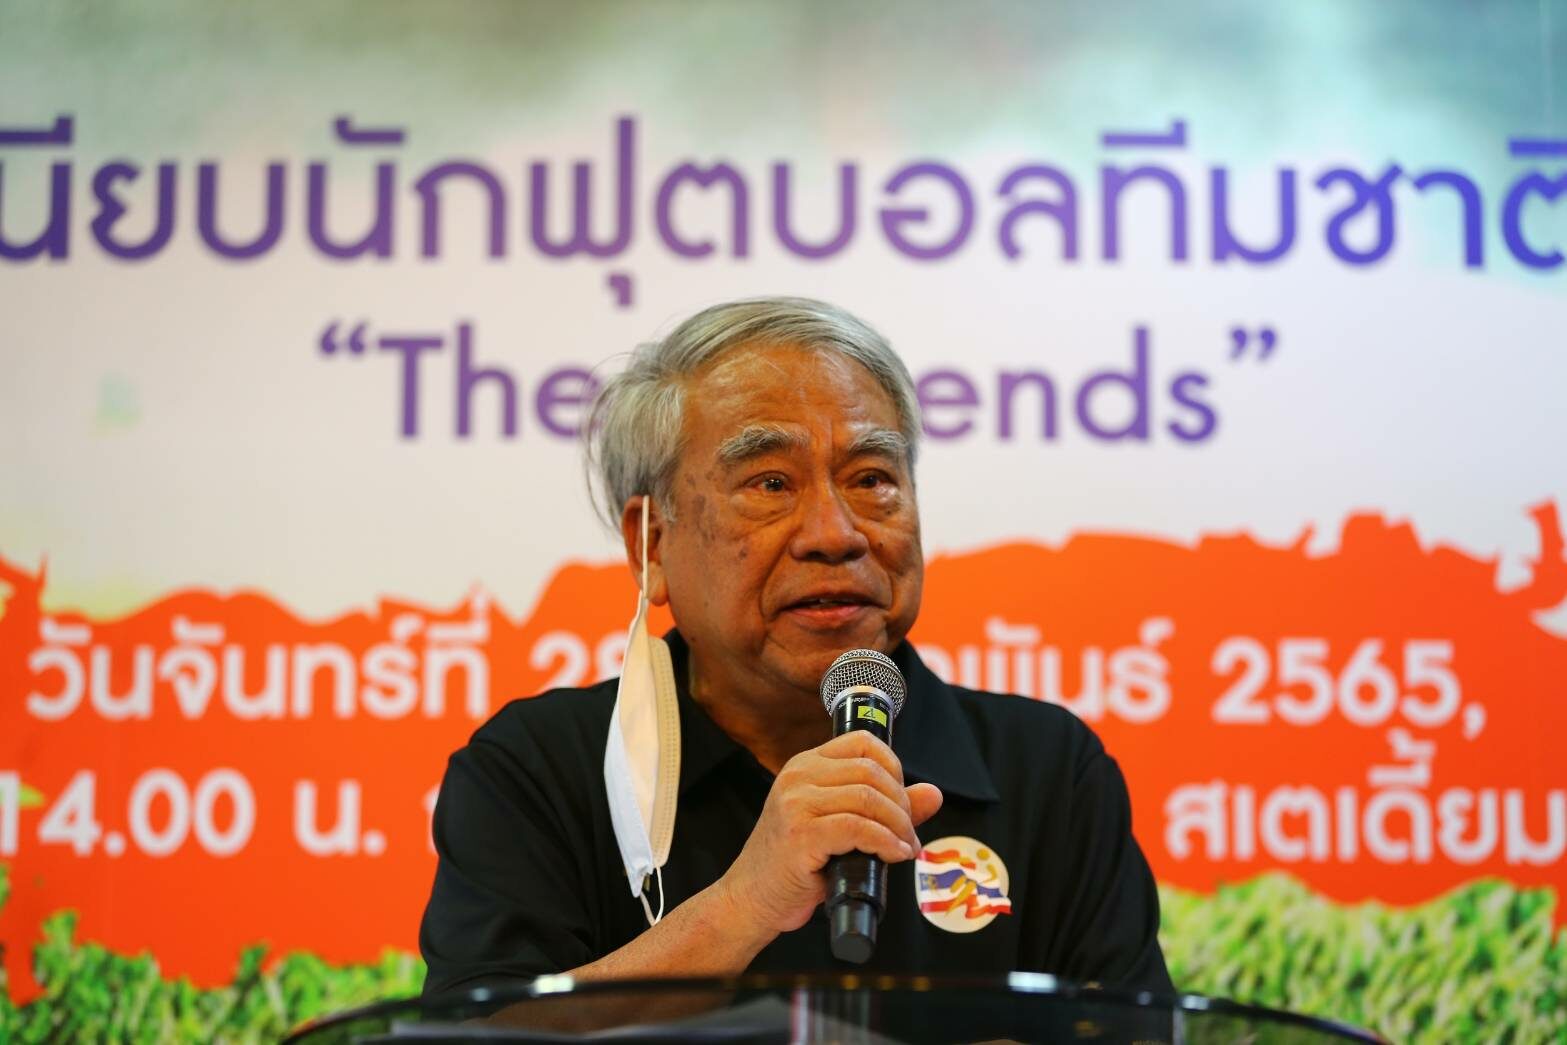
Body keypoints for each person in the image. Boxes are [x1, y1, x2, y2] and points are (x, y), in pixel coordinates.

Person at [418, 297, 1172, 995]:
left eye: (871, 478)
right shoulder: (538, 770)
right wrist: (745, 902)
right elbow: (474, 1039)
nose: (835, 534)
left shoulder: (1047, 771)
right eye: (771, 484)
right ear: (651, 545)